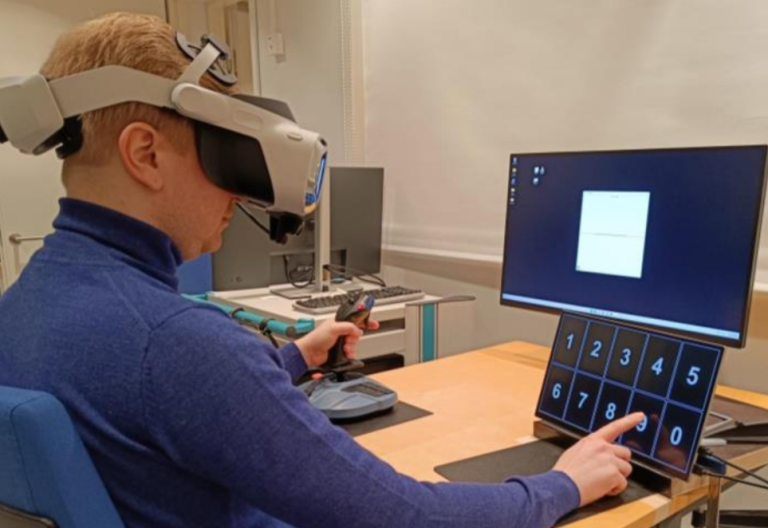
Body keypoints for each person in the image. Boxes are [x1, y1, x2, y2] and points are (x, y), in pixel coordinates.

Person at [0, 12, 644, 528]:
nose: (239, 192)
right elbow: (404, 516)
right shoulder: (175, 345)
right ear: (145, 153)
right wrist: (560, 485)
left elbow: (153, 412)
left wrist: (291, 360)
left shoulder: (25, 300)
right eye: (218, 151)